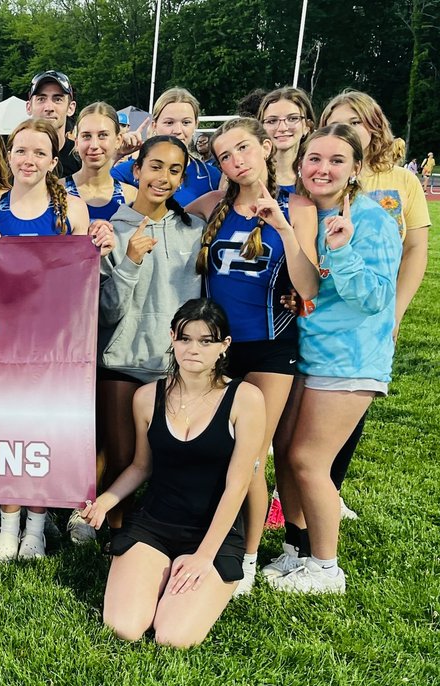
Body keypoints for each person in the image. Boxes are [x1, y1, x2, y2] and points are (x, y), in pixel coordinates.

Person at [81, 298, 265, 648]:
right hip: (154, 526)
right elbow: (141, 466)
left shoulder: (246, 399)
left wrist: (203, 557)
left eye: (205, 341)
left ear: (224, 346)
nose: (193, 348)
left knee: (173, 637)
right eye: (184, 338)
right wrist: (105, 501)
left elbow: (238, 486)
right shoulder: (147, 397)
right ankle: (157, 576)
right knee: (124, 627)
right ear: (172, 338)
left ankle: (186, 582)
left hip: (213, 533)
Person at [185, 117, 320, 595]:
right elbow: (155, 210)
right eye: (224, 155)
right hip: (216, 348)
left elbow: (307, 288)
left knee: (251, 459)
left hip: (269, 348)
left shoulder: (298, 206)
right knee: (214, 452)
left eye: (243, 148)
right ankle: (209, 537)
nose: (236, 160)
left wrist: (282, 227)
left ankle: (245, 557)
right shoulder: (210, 206)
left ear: (265, 147)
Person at [265, 125, 401, 594]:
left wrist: (341, 252)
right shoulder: (304, 214)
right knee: (284, 451)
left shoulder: (371, 218)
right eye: (314, 158)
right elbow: (312, 291)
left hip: (350, 361)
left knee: (307, 459)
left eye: (337, 160)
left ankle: (326, 568)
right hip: (308, 353)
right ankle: (296, 551)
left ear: (356, 168)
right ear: (300, 164)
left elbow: (376, 298)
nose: (323, 168)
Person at [0, 118, 113, 559]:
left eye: (39, 152)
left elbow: (81, 276)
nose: (29, 159)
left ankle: (36, 524)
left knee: (44, 431)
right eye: (20, 151)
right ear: (7, 155)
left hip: (56, 342)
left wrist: (99, 243)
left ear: (54, 160)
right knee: (6, 429)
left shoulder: (71, 210)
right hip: (3, 342)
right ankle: (8, 521)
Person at [317, 90, 430, 517]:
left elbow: (416, 248)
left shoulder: (401, 181)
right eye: (336, 119)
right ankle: (311, 488)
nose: (347, 129)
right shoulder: (321, 174)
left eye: (356, 122)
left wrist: (395, 311)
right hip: (328, 309)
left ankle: (330, 487)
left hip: (373, 302)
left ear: (375, 127)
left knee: (352, 395)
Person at [97, 135, 205, 540]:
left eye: (174, 170)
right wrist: (130, 261)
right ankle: (117, 533)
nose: (163, 177)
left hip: (175, 365)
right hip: (121, 361)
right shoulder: (111, 231)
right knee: (123, 455)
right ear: (137, 170)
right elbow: (105, 311)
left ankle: (166, 529)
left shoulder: (194, 231)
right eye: (155, 166)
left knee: (172, 457)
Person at [113, 88, 222, 206]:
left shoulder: (211, 176)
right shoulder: (135, 169)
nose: (178, 131)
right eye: (169, 123)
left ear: (196, 124)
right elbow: (95, 189)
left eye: (186, 122)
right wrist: (117, 154)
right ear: (154, 126)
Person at [65, 102, 138, 223]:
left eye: (103, 135)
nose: (94, 145)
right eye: (87, 136)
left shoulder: (131, 196)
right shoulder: (57, 192)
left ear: (118, 140)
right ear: (77, 142)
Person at [258, 87, 315, 193]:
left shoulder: (317, 176)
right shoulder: (249, 174)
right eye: (272, 121)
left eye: (292, 119)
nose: (282, 128)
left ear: (307, 126)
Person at [24, 70, 79, 175]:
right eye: (41, 99)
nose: (49, 108)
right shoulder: (14, 160)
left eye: (58, 99)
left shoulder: (81, 159)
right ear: (29, 107)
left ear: (71, 108)